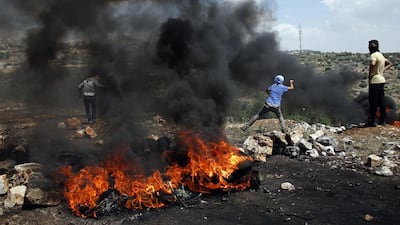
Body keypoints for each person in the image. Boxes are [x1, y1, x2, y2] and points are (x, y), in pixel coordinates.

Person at [366, 40, 393, 127]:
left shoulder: (373, 55)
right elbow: (390, 63)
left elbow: (373, 63)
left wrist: (370, 75)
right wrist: (382, 71)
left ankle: (371, 121)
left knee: (373, 101)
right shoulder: (380, 55)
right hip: (381, 80)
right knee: (381, 101)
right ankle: (383, 120)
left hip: (375, 81)